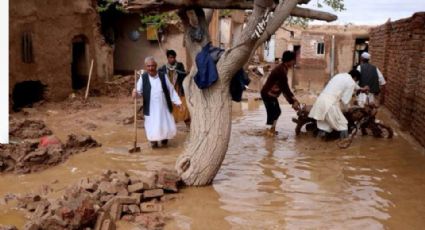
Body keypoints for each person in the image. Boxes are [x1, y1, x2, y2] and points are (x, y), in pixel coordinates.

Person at [132, 56, 182, 148]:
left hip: (163, 107)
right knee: (152, 126)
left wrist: (177, 102)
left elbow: (171, 89)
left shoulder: (163, 76)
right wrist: (135, 93)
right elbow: (138, 92)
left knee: (164, 125)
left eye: (152, 66)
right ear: (146, 67)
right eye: (148, 66)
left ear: (156, 66)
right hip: (150, 108)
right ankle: (153, 142)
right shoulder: (143, 78)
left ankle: (164, 141)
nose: (151, 68)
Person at [308, 69, 368, 139]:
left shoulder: (340, 75)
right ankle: (344, 144)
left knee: (324, 127)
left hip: (320, 101)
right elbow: (345, 100)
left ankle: (318, 144)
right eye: (356, 80)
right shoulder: (351, 82)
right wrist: (348, 109)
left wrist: (361, 89)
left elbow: (353, 85)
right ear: (355, 78)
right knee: (343, 125)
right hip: (330, 104)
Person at [261, 51, 300, 136]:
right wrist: (293, 101)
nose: (294, 62)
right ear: (289, 60)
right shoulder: (281, 70)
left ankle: (271, 130)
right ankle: (268, 133)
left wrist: (293, 100)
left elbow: (284, 89)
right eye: (294, 60)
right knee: (273, 113)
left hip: (271, 94)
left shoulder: (283, 68)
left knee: (277, 112)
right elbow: (285, 88)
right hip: (268, 94)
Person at [158, 49, 191, 128]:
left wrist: (179, 71)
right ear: (167, 58)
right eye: (170, 57)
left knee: (183, 106)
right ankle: (170, 126)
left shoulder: (179, 65)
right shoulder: (164, 67)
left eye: (173, 57)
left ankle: (188, 124)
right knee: (170, 108)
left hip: (178, 89)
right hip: (169, 91)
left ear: (175, 58)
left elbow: (183, 74)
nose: (171, 59)